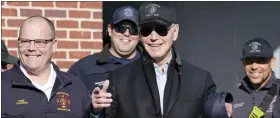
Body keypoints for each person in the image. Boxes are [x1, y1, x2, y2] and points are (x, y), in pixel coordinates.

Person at [92, 2, 232, 118]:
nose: (153, 37)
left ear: (175, 32)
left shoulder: (200, 79)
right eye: (146, 30)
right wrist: (96, 111)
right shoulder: (118, 79)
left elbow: (214, 111)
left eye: (161, 29)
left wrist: (223, 110)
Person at [1, 16, 92, 118]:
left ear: (54, 45)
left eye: (39, 42)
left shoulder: (75, 88)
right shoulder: (3, 85)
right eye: (25, 41)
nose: (31, 48)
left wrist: (97, 111)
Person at [68, 6, 141, 91]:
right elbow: (64, 101)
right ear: (110, 30)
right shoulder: (83, 69)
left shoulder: (151, 67)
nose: (127, 33)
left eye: (133, 29)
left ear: (140, 34)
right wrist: (90, 102)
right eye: (121, 27)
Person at [230, 38, 280, 118]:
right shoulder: (233, 95)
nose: (254, 66)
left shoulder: (278, 90)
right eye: (249, 60)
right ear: (243, 63)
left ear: (272, 62)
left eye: (261, 60)